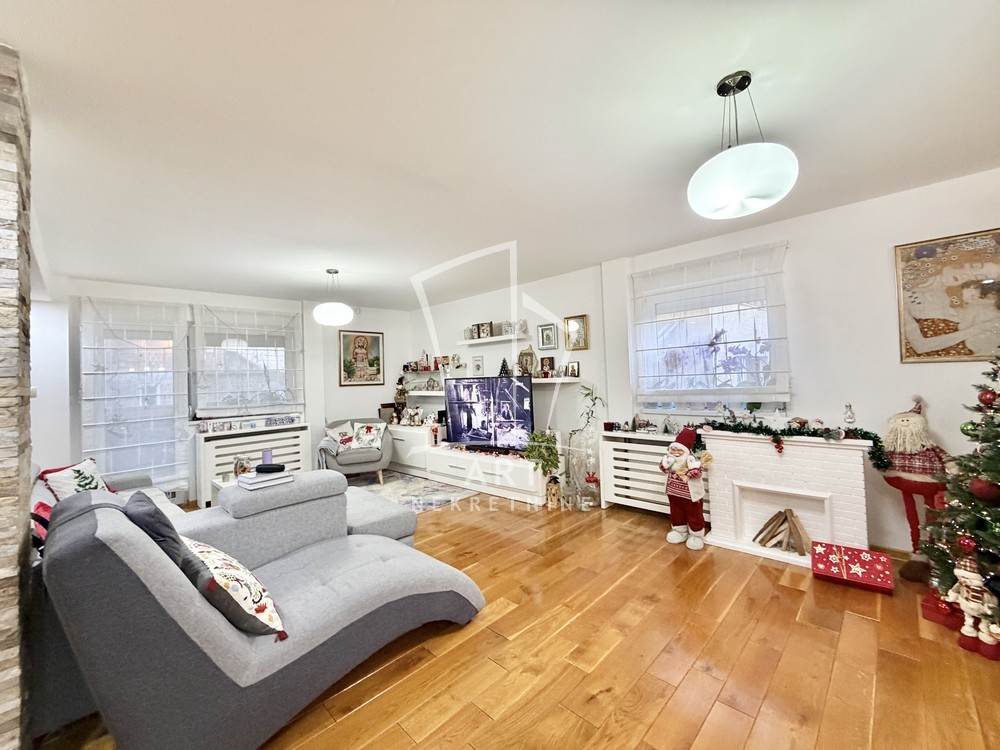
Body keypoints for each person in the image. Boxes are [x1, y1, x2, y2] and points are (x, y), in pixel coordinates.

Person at [658, 426, 711, 550]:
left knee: (694, 514)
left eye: (679, 450)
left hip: (691, 496)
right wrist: (664, 465)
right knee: (676, 512)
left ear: (686, 452)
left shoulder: (691, 461)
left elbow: (697, 473)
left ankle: (696, 535)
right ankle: (679, 531)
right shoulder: (670, 461)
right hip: (674, 493)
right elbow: (663, 468)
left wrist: (692, 472)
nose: (675, 452)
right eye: (673, 449)